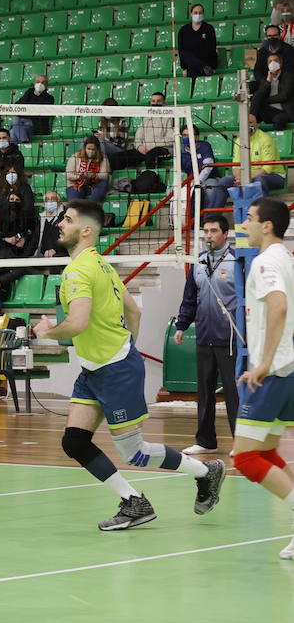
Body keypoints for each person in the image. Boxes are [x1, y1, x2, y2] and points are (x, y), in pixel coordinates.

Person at [33, 200, 225, 531]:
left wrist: (48, 331)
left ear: (86, 230)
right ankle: (133, 502)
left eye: (66, 219)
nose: (59, 224)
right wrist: (126, 349)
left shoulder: (78, 271)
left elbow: (77, 323)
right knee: (74, 442)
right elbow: (133, 313)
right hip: (98, 369)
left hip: (114, 370)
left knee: (135, 453)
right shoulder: (102, 266)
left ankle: (206, 472)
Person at [231, 197, 294, 561]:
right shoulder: (286, 258)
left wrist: (264, 362)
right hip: (288, 369)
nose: (245, 225)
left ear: (267, 225)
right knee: (266, 451)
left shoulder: (266, 262)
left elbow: (280, 306)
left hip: (273, 372)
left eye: (250, 219)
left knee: (246, 458)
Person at [173, 215, 240, 456]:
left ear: (225, 234)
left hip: (230, 339)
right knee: (204, 392)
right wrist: (181, 326)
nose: (208, 236)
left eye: (213, 231)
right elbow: (189, 298)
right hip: (204, 336)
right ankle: (205, 441)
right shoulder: (198, 263)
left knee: (234, 393)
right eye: (205, 231)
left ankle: (240, 443)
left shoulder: (237, 262)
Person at [209, 112, 287, 211]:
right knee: (223, 182)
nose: (248, 125)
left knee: (260, 181)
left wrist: (248, 178)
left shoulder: (265, 139)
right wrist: (239, 178)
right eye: (245, 123)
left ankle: (262, 215)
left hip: (273, 175)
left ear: (257, 125)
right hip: (246, 175)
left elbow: (267, 168)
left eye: (251, 122)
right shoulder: (239, 140)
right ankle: (211, 219)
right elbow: (236, 165)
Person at [115, 90, 174, 169]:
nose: (155, 103)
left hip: (162, 149)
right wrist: (139, 147)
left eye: (158, 101)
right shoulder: (146, 118)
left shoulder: (169, 117)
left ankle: (150, 178)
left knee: (151, 155)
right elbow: (138, 137)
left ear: (164, 103)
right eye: (153, 101)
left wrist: (153, 146)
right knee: (118, 157)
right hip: (144, 149)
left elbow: (171, 138)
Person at [180, 126, 220, 216]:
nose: (187, 138)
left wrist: (198, 181)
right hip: (191, 180)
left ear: (196, 137)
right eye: (184, 135)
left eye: (190, 135)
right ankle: (190, 220)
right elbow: (181, 172)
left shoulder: (205, 146)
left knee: (211, 190)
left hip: (209, 178)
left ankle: (208, 219)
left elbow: (208, 166)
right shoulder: (181, 153)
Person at [253, 52, 294, 130]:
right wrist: (268, 80)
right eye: (270, 61)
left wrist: (266, 100)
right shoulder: (266, 78)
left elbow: (284, 96)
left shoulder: (288, 76)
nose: (273, 63)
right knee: (256, 97)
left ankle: (278, 140)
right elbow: (260, 94)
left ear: (281, 63)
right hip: (270, 112)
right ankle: (251, 117)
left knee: (279, 119)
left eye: (275, 61)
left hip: (284, 111)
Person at [176, 4, 218, 77]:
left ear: (203, 14)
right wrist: (184, 68)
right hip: (192, 66)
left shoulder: (209, 29)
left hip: (206, 62)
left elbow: (211, 49)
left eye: (200, 12)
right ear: (191, 14)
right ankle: (202, 67)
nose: (198, 15)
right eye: (195, 13)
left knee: (193, 65)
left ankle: (203, 67)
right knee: (187, 56)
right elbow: (181, 52)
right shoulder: (183, 30)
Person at [0, 187, 39, 255]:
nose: (14, 202)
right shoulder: (1, 216)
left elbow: (34, 232)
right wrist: (6, 239)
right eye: (11, 199)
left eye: (17, 200)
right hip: (3, 248)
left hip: (22, 248)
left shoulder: (27, 216)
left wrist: (24, 239)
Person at [10, 75, 54, 143]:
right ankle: (24, 141)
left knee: (13, 129)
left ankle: (20, 146)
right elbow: (17, 106)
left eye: (43, 83)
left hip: (36, 126)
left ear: (46, 85)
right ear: (34, 83)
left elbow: (38, 113)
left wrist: (23, 112)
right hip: (23, 124)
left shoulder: (49, 98)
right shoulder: (29, 93)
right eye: (38, 82)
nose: (40, 84)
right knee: (15, 124)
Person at [65, 138, 110, 203]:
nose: (90, 151)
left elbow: (105, 175)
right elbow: (68, 174)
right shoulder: (76, 156)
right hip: (77, 184)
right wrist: (78, 176)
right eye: (88, 149)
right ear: (84, 148)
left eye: (93, 149)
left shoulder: (103, 157)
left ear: (97, 149)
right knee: (74, 202)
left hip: (95, 185)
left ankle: (91, 207)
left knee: (103, 183)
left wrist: (94, 176)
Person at [252, 23, 294, 87]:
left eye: (275, 35)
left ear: (279, 36)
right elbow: (257, 70)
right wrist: (265, 82)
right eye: (269, 36)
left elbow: (290, 70)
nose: (272, 38)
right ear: (266, 37)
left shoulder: (289, 50)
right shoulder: (262, 52)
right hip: (267, 82)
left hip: (286, 84)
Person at [33, 191, 66, 259]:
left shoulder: (65, 217)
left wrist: (55, 250)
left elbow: (67, 237)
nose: (50, 202)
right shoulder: (42, 218)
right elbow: (35, 240)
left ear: (60, 202)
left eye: (53, 199)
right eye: (47, 200)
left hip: (59, 255)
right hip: (42, 255)